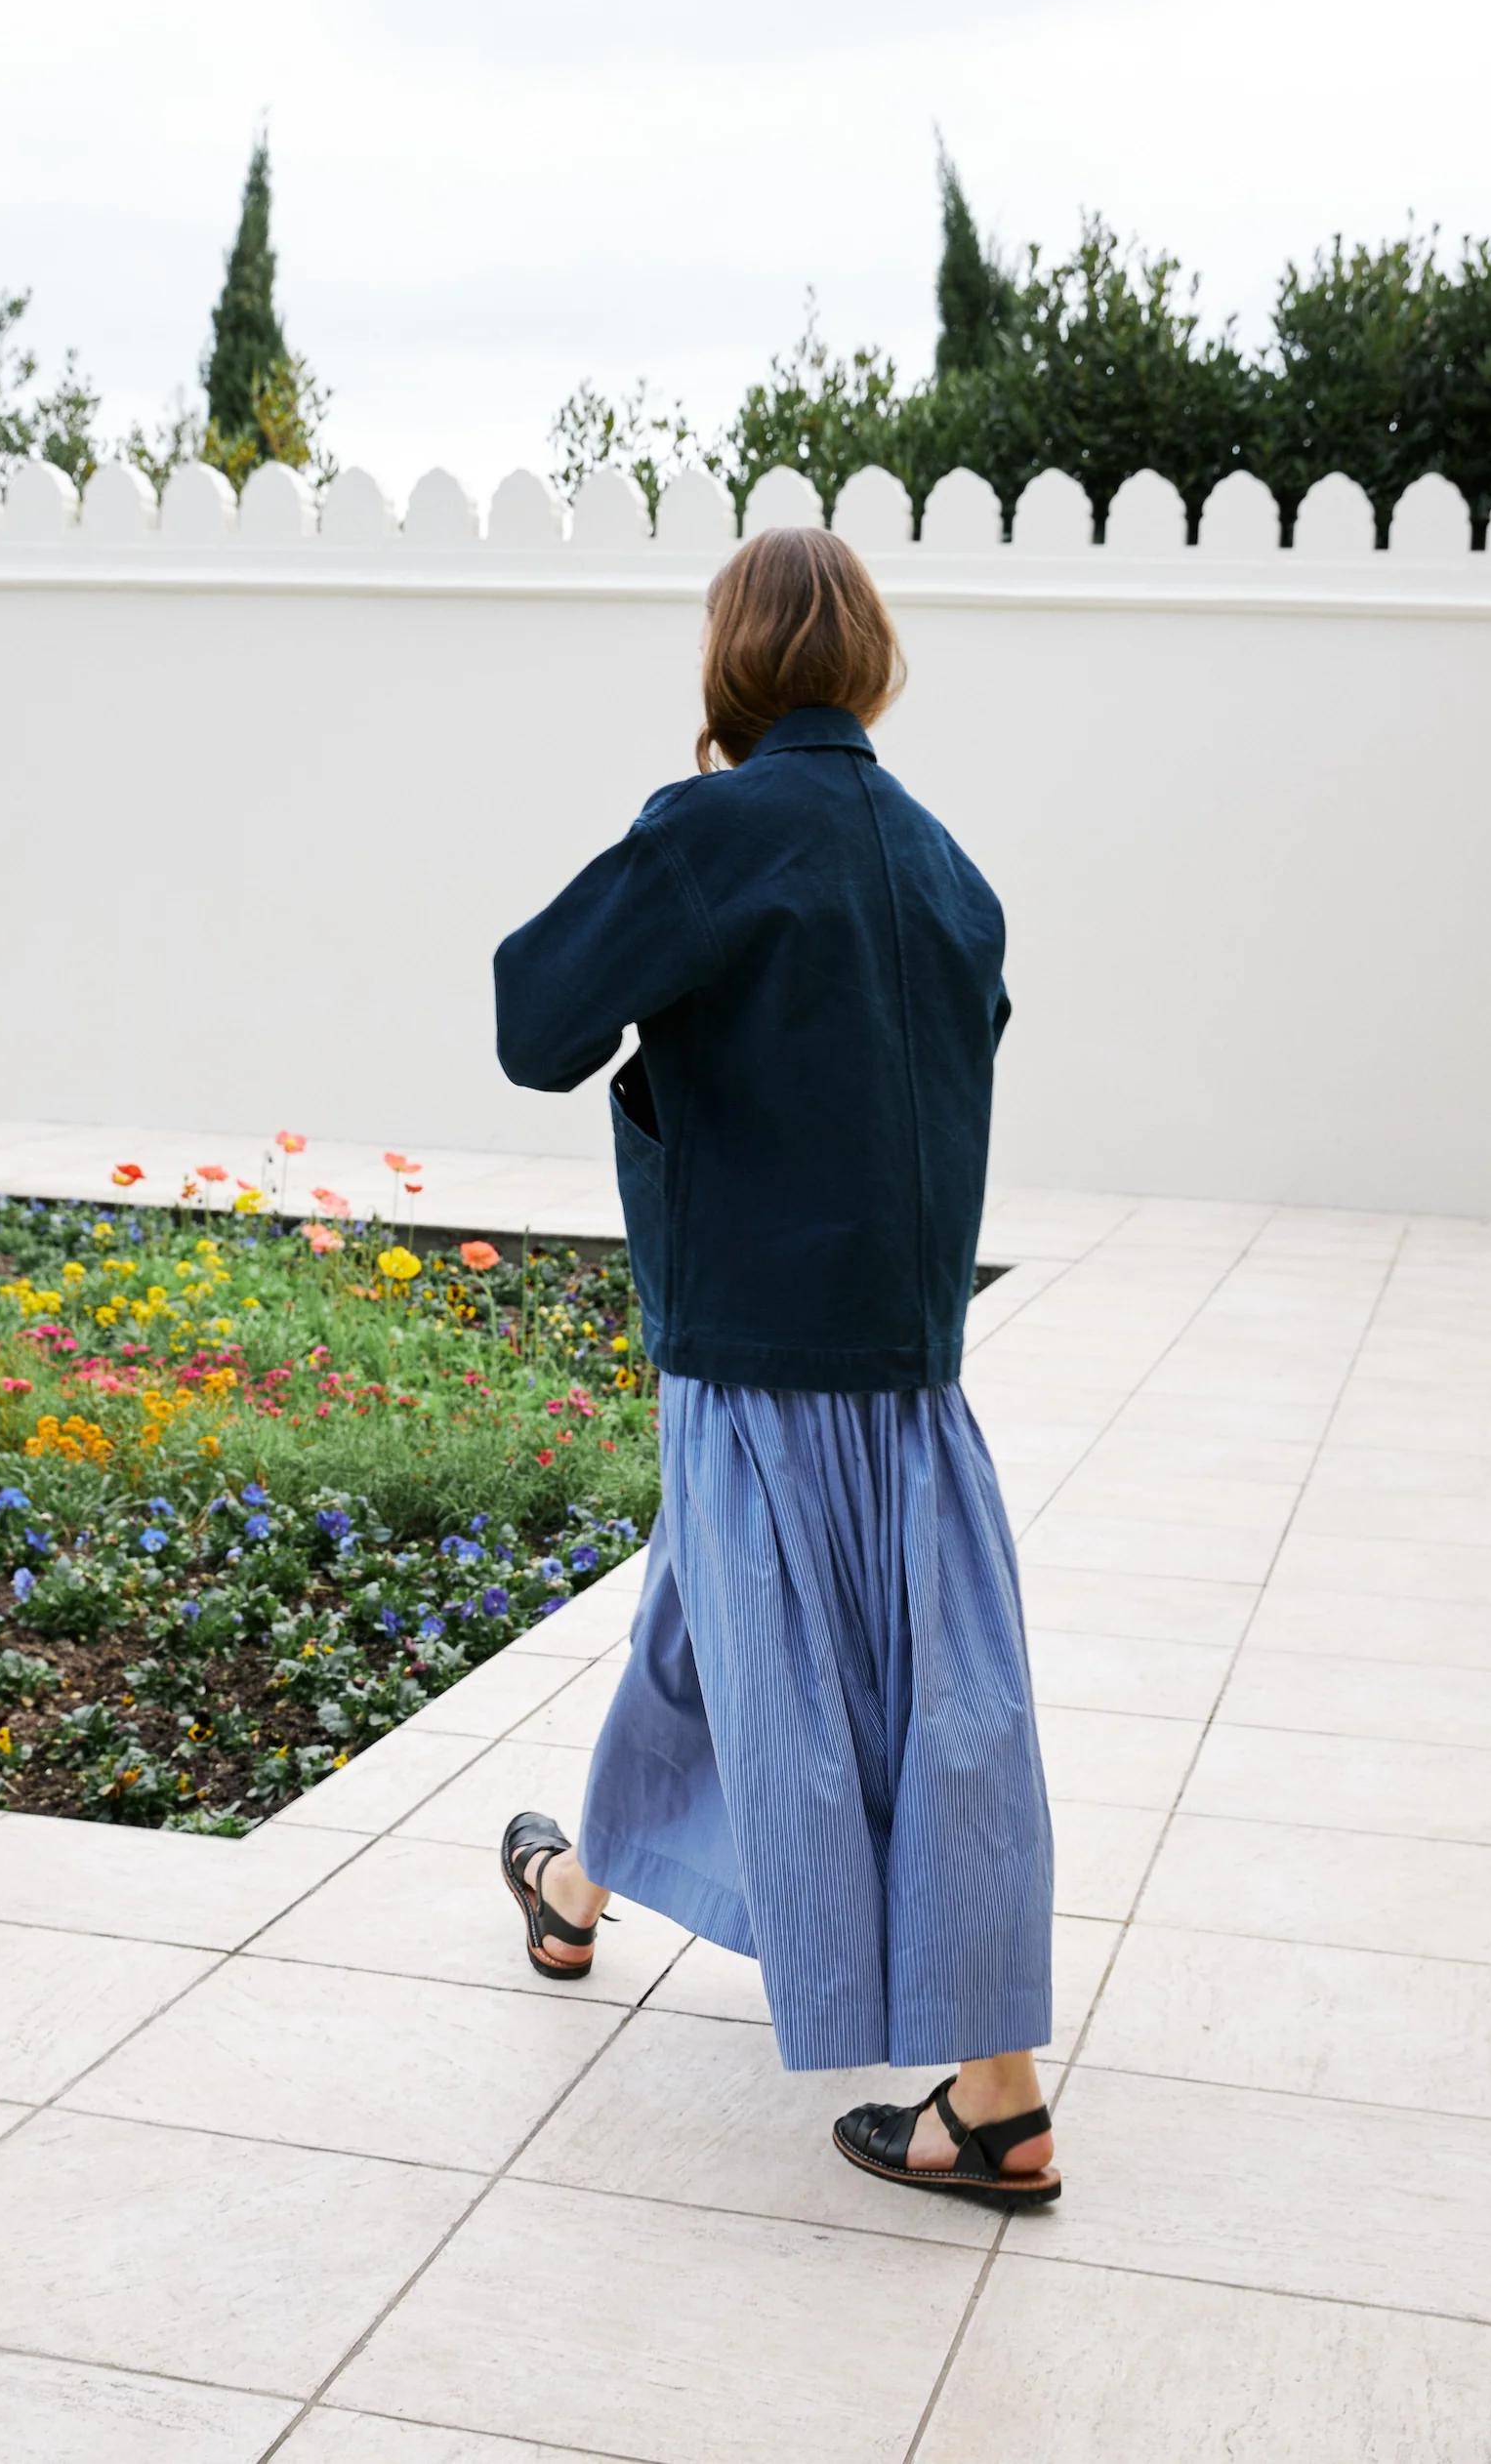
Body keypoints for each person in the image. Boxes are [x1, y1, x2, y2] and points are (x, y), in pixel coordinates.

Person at [491, 523, 1057, 2208]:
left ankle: (1001, 2101)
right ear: (869, 664)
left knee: (891, 1712)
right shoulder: (950, 863)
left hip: (751, 1359)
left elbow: (535, 1022)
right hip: (905, 1365)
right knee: (717, 1633)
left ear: (731, 665)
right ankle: (578, 1893)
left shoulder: (712, 833)